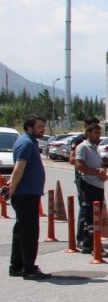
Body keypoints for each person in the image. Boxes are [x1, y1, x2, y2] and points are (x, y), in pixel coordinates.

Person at [7, 115, 51, 280]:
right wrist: (11, 190)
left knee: (21, 231)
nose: (42, 129)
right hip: (25, 195)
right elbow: (18, 169)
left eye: (43, 126)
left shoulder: (30, 142)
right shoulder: (26, 143)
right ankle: (28, 269)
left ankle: (16, 266)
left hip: (28, 194)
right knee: (29, 234)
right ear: (29, 127)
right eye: (39, 126)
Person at [74, 123, 108, 254]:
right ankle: (95, 246)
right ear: (88, 133)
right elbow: (79, 166)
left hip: (98, 185)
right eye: (96, 133)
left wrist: (102, 171)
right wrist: (97, 172)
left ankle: (88, 244)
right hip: (89, 185)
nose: (98, 136)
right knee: (91, 217)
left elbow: (98, 165)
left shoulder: (95, 148)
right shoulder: (83, 147)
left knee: (94, 216)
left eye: (99, 133)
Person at [69, 116, 100, 250]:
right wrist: (90, 168)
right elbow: (72, 160)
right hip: (84, 178)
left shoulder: (94, 142)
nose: (96, 131)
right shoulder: (79, 141)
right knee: (85, 208)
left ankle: (91, 238)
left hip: (95, 179)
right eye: (93, 126)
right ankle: (81, 238)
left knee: (94, 210)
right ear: (86, 127)